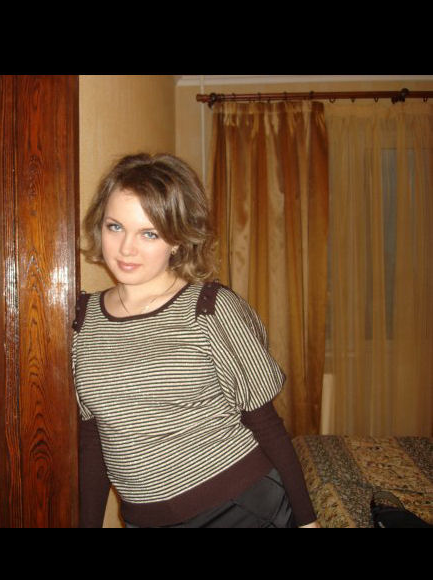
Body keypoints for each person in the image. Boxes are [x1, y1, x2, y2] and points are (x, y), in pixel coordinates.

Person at [72, 153, 320, 528]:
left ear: (177, 240)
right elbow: (93, 438)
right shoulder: (84, 319)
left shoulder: (210, 309)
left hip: (238, 507)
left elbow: (265, 422)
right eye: (115, 227)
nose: (126, 249)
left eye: (149, 233)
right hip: (144, 520)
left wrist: (307, 521)